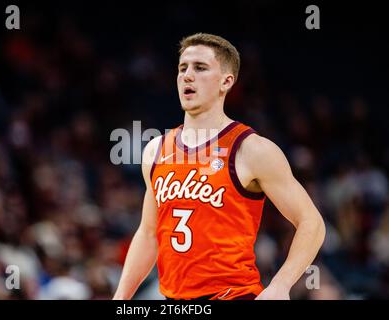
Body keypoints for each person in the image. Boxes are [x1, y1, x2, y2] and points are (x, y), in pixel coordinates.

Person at [113, 33, 325, 300]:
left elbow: (312, 222)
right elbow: (148, 233)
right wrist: (121, 297)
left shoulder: (252, 149)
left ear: (227, 81)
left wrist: (281, 285)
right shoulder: (156, 149)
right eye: (182, 68)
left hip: (232, 294)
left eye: (200, 68)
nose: (187, 76)